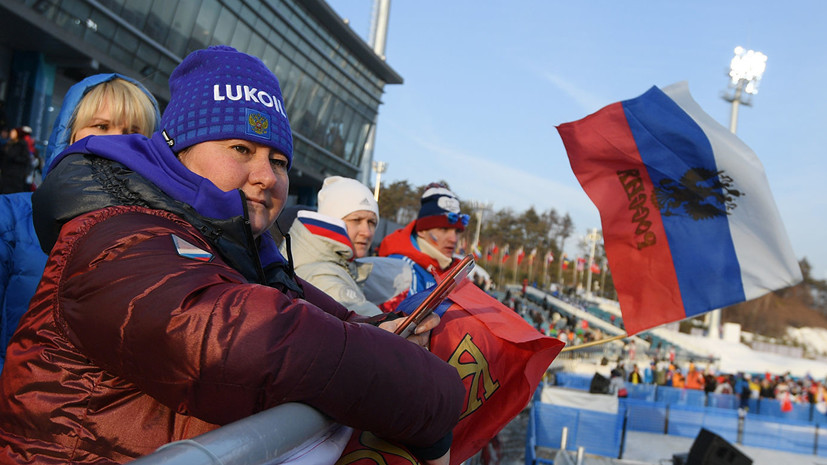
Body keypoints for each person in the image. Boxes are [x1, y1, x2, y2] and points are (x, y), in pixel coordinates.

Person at [0, 46, 463, 464]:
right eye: (241, 148)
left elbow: (331, 323)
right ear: (177, 153)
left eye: (279, 161)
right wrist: (427, 392)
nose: (265, 176)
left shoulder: (241, 251)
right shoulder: (116, 232)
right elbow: (234, 339)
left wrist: (386, 335)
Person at [0, 73, 159, 373]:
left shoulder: (162, 239)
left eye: (134, 132)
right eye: (101, 126)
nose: (117, 141)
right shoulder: (9, 218)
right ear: (69, 134)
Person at [284, 176, 410, 316]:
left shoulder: (339, 266)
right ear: (332, 220)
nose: (367, 232)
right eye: (356, 220)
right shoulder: (321, 276)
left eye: (372, 222)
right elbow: (376, 328)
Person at [378, 183, 468, 299]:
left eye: (457, 231)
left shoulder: (456, 272)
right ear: (421, 231)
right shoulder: (401, 269)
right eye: (444, 229)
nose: (454, 239)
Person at [0, 127, 31, 194]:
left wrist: (14, 158)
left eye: (13, 132)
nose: (11, 134)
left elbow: (26, 159)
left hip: (16, 174)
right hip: (5, 173)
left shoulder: (21, 144)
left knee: (13, 193)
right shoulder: (8, 143)